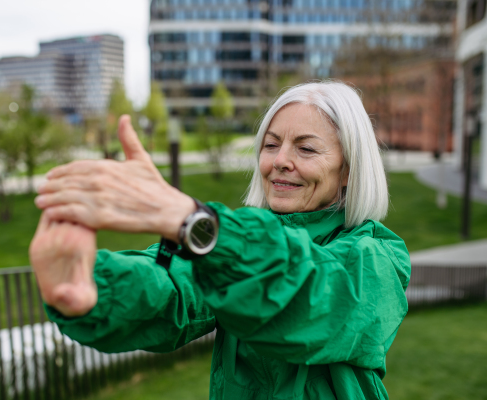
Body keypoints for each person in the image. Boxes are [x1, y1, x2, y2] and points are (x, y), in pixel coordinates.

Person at [30, 81, 411, 399]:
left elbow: (309, 296)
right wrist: (92, 289)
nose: (279, 160)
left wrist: (193, 222)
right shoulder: (233, 242)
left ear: (348, 170)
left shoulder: (379, 256)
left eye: (306, 148)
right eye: (271, 144)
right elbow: (173, 287)